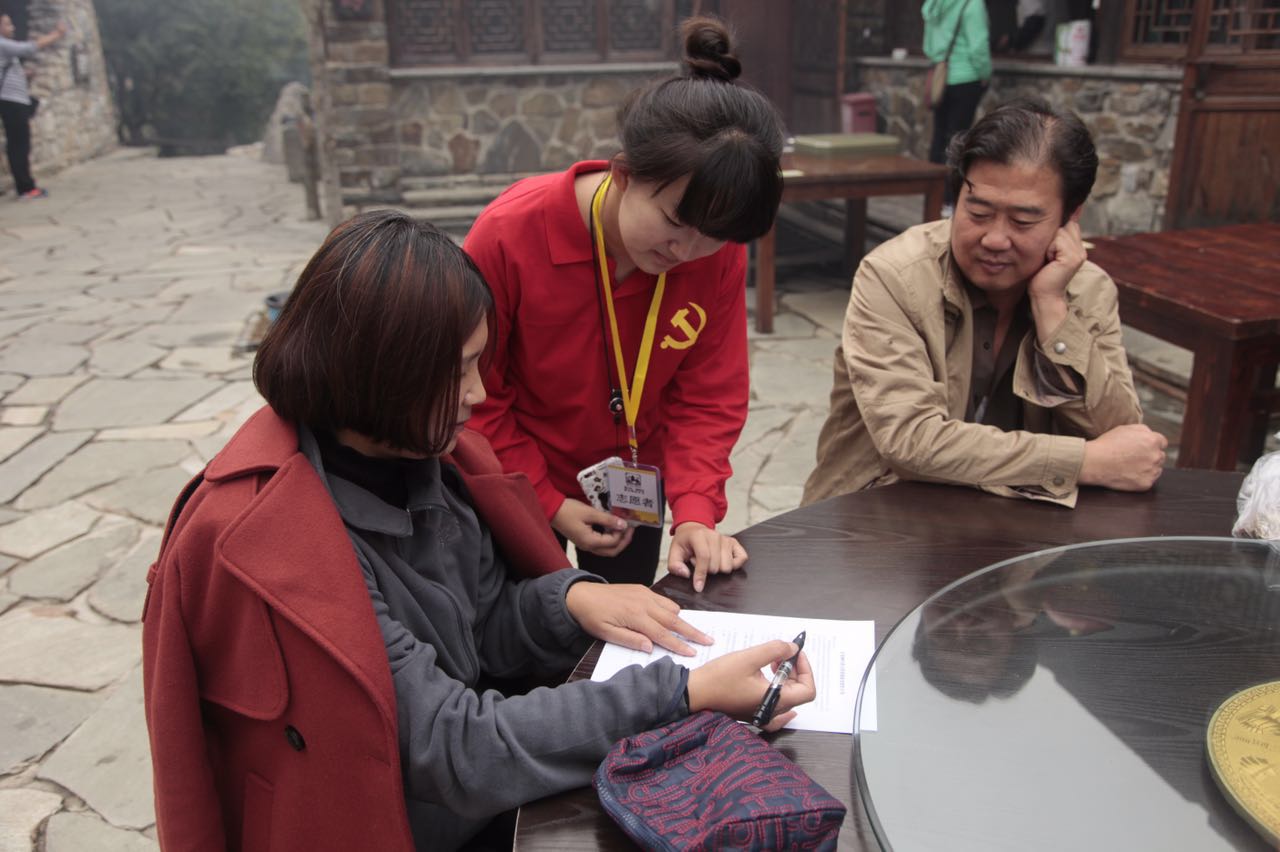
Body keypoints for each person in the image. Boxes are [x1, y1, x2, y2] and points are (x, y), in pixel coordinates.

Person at [141, 211, 815, 852]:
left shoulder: (424, 464)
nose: (479, 394)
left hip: (476, 800)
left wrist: (570, 600)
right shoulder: (284, 547)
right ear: (383, 374)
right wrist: (682, 693)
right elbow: (454, 748)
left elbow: (480, 621)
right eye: (458, 369)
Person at [463, 15, 784, 591]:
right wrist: (545, 500)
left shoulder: (715, 252)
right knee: (523, 620)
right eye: (674, 221)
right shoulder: (509, 235)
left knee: (624, 618)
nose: (686, 251)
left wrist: (695, 511)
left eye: (713, 236)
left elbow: (709, 393)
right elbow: (474, 393)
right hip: (516, 479)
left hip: (633, 489)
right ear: (624, 174)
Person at [802, 98, 1168, 508]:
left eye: (1023, 221)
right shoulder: (895, 276)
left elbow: (1121, 435)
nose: (994, 239)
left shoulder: (1087, 289)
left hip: (1012, 520)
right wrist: (1084, 462)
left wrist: (1052, 309)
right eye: (977, 212)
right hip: (877, 513)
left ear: (1070, 217)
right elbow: (911, 441)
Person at [922, 0, 991, 210]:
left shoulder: (934, 4)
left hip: (941, 78)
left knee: (939, 138)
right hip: (966, 76)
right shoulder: (972, 4)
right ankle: (950, 198)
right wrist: (985, 74)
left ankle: (933, 195)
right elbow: (978, 46)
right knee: (958, 140)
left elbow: (929, 46)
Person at [0, 15, 65, 199]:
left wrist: (24, 75)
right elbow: (28, 48)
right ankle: (26, 188)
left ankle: (25, 186)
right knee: (19, 145)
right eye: (7, 24)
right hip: (11, 102)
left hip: (13, 101)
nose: (12, 27)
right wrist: (57, 34)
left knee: (18, 144)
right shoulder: (2, 44)